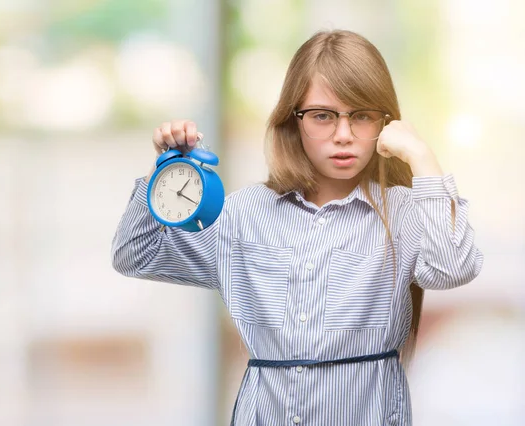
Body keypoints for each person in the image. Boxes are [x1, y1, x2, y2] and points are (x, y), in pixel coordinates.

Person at [111, 29, 483, 426]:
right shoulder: (245, 214)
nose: (343, 135)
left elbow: (453, 268)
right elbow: (135, 254)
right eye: (322, 116)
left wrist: (421, 157)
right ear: (293, 119)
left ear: (385, 122)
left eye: (361, 116)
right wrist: (165, 169)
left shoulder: (405, 213)